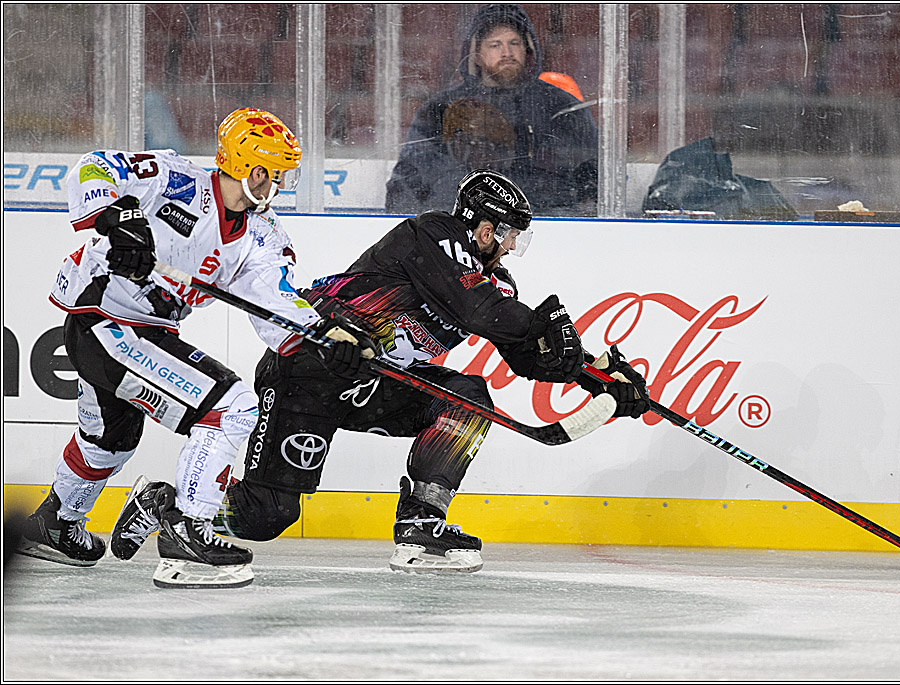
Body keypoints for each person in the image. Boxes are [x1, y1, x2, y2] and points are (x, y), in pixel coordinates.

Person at [113, 169, 649, 574]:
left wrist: (599, 378)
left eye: (517, 238)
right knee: (266, 517)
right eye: (505, 233)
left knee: (467, 396)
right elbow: (480, 314)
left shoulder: (497, 284)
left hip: (374, 382)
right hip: (309, 365)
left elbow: (529, 354)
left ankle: (421, 523)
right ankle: (168, 503)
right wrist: (553, 336)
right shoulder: (430, 236)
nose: (510, 246)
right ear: (478, 226)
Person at [16, 108, 368, 589]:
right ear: (253, 170)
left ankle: (56, 523)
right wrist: (117, 218)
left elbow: (276, 304)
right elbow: (93, 166)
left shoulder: (263, 238)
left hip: (141, 330)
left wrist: (326, 336)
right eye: (277, 175)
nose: (279, 186)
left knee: (109, 440)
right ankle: (187, 526)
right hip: (105, 317)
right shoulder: (176, 179)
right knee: (232, 408)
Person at [386, 4, 598, 217]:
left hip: (548, 227)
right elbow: (408, 181)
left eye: (514, 43)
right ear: (477, 54)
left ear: (527, 49)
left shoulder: (562, 107)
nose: (507, 53)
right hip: (461, 232)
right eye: (495, 45)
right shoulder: (440, 108)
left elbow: (591, 178)